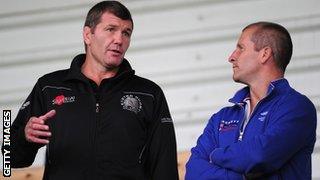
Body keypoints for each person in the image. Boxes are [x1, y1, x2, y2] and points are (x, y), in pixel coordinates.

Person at [2, 1, 179, 179]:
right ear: (88, 35)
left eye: (126, 33)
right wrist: (25, 137)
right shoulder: (49, 87)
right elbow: (8, 158)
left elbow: (165, 167)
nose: (119, 40)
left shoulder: (149, 93)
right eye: (111, 29)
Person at [185, 21, 317, 179]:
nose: (231, 57)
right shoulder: (221, 118)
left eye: (240, 48)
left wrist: (215, 156)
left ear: (264, 54)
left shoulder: (297, 108)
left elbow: (260, 155)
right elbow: (193, 172)